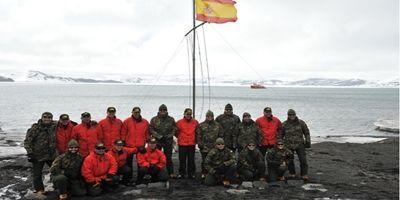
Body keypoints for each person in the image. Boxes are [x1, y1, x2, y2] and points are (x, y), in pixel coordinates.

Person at [24, 112, 57, 194]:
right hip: (38, 156)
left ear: (51, 118)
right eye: (45, 117)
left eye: (49, 117)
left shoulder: (54, 126)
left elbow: (66, 122)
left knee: (56, 171)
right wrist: (30, 153)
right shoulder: (35, 128)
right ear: (42, 118)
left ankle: (57, 187)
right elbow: (27, 142)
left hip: (51, 155)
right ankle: (39, 190)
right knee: (37, 174)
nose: (47, 119)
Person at [279, 109, 311, 181]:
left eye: (293, 114)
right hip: (288, 145)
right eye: (290, 115)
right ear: (288, 115)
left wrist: (308, 141)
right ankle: (292, 173)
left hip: (300, 144)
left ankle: (304, 174)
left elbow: (306, 132)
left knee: (303, 160)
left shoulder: (301, 123)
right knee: (290, 160)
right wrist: (281, 144)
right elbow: (280, 135)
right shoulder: (284, 124)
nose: (291, 116)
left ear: (295, 115)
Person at [150, 104, 177, 178]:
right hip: (157, 141)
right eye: (161, 110)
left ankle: (170, 172)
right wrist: (159, 136)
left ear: (166, 111)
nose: (163, 112)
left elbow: (174, 129)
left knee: (168, 157)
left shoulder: (171, 119)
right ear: (159, 111)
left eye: (164, 110)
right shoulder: (154, 119)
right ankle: (155, 172)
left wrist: (169, 136)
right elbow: (151, 129)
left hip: (168, 141)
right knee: (155, 158)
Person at [196, 110, 223, 178]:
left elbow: (221, 135)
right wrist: (199, 144)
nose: (210, 117)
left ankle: (212, 173)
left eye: (211, 116)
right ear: (206, 117)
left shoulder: (218, 125)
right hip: (205, 147)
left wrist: (219, 145)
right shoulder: (201, 125)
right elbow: (198, 136)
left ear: (213, 117)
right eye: (208, 116)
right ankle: (204, 173)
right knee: (205, 161)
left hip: (215, 147)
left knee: (214, 160)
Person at [176, 108, 199, 179]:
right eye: (187, 114)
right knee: (182, 159)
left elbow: (198, 132)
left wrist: (196, 140)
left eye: (190, 114)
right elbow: (176, 132)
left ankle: (191, 173)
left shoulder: (195, 122)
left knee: (191, 160)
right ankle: (182, 173)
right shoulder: (179, 122)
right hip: (182, 144)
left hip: (191, 144)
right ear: (184, 114)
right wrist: (180, 137)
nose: (188, 115)